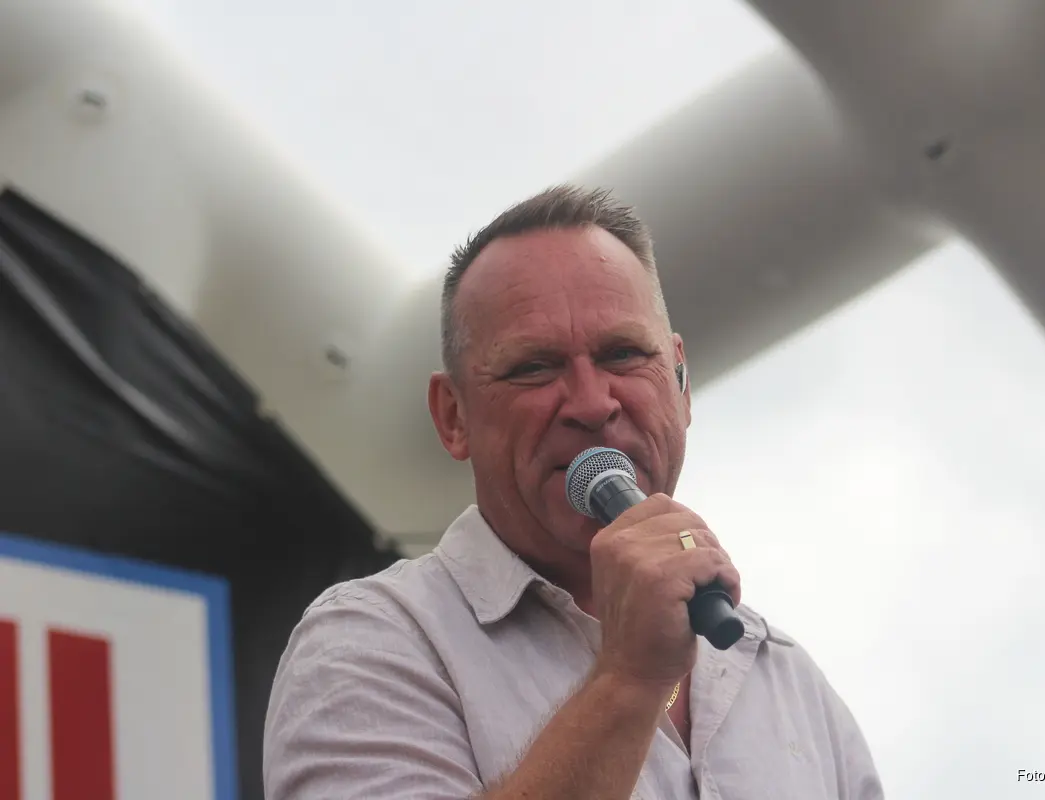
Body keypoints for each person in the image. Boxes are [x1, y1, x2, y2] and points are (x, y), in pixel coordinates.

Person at [263, 185, 884, 799]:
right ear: (453, 417)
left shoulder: (789, 684)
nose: (591, 404)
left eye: (623, 354)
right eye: (534, 366)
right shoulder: (369, 644)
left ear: (681, 382)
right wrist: (629, 680)